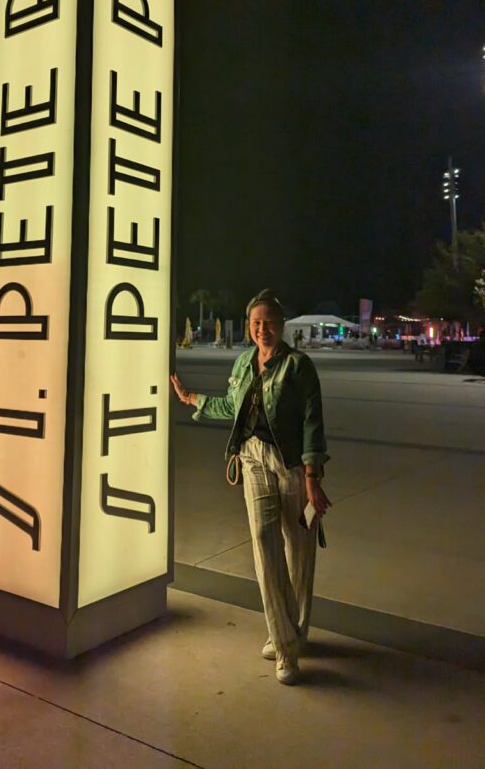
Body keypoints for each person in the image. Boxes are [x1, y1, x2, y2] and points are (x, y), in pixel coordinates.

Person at [171, 289, 330, 686]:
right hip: (252, 458)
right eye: (256, 323)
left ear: (281, 325)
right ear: (249, 327)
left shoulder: (299, 366)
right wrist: (194, 399)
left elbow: (313, 423)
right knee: (263, 541)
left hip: (291, 464)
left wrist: (313, 477)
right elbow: (232, 406)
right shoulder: (244, 362)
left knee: (299, 548)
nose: (262, 329)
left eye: (269, 322)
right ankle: (284, 644)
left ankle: (297, 631)